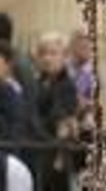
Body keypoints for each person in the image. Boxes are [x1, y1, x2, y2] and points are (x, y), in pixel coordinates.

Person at [29, 32, 80, 191]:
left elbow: (58, 120)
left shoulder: (67, 86)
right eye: (43, 53)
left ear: (64, 57)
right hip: (36, 150)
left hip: (56, 155)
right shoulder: (37, 82)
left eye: (53, 53)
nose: (47, 58)